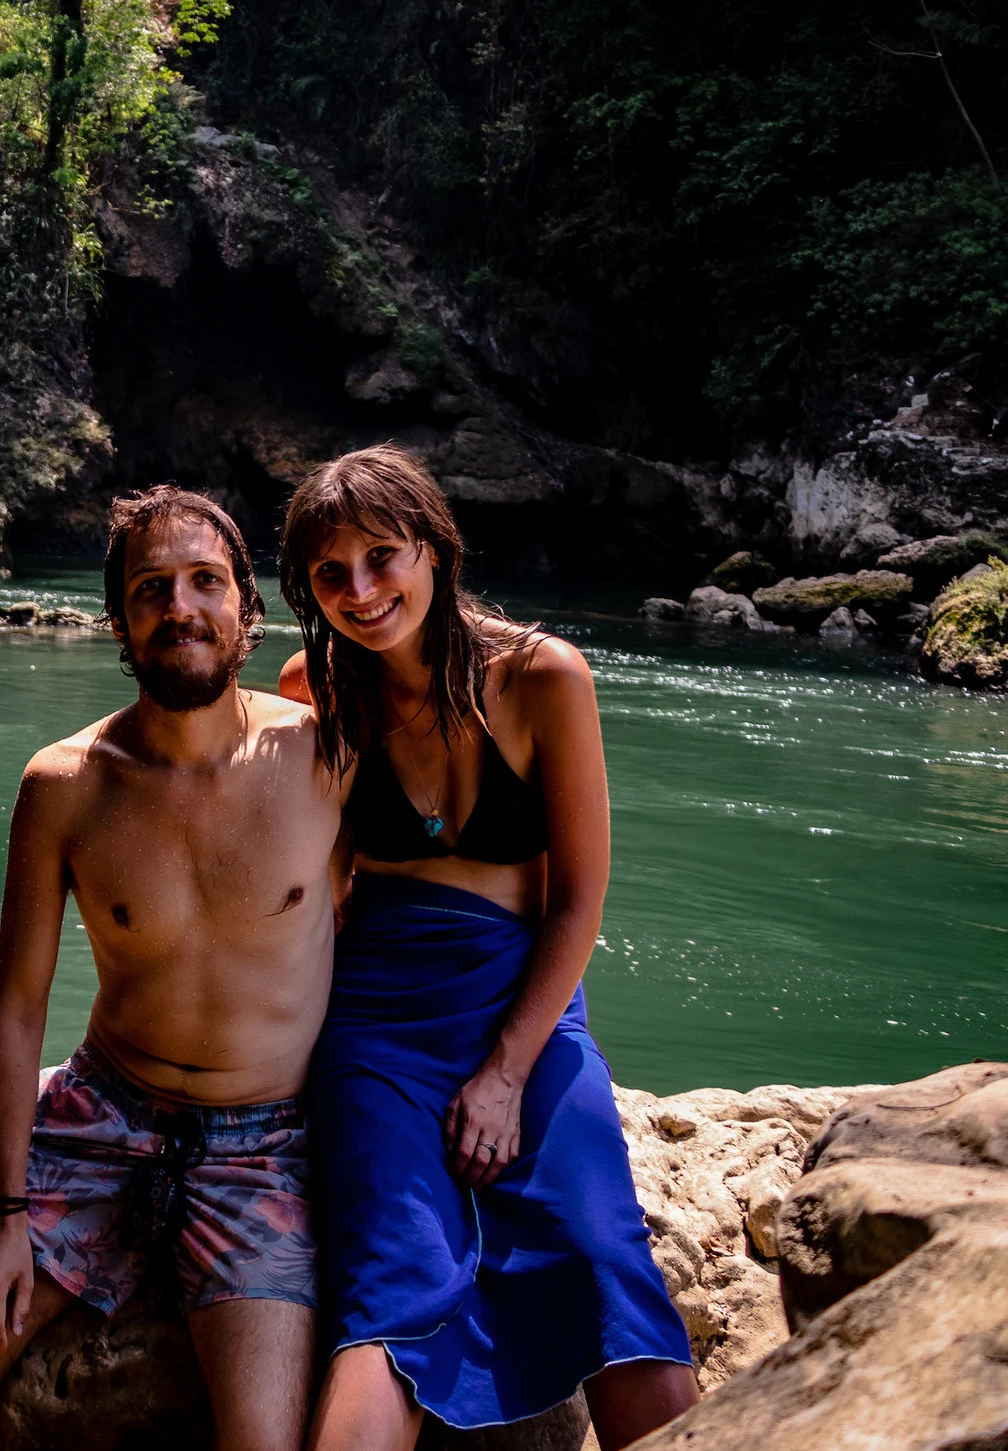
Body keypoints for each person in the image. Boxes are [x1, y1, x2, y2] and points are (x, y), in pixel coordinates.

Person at [0, 486, 346, 1451]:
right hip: (102, 1116)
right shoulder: (65, 784)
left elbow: (443, 885)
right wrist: (2, 1206)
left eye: (205, 583)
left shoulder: (324, 756)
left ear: (247, 608)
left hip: (264, 1141)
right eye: (153, 589)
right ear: (118, 618)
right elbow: (17, 1006)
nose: (181, 608)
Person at [272, 446, 698, 1451]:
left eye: (382, 557)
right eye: (330, 575)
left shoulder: (543, 675)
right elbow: (302, 883)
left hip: (523, 992)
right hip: (371, 1011)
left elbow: (581, 897)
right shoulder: (312, 685)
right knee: (391, 1274)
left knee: (600, 1250)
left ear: (434, 549)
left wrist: (507, 1070)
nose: (361, 593)